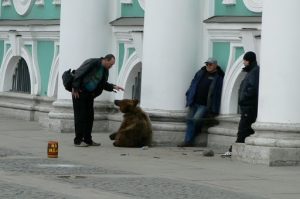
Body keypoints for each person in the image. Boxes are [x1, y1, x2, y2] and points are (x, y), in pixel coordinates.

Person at [71, 54, 124, 147]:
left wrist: (113, 87)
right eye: (110, 64)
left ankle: (88, 140)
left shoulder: (105, 70)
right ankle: (78, 141)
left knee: (89, 117)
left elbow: (102, 84)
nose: (111, 67)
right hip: (79, 93)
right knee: (80, 117)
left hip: (90, 95)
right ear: (106, 60)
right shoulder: (92, 62)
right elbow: (79, 72)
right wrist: (75, 87)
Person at [178, 58, 224, 147]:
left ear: (215, 65)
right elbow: (193, 83)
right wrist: (189, 93)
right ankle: (188, 141)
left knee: (195, 120)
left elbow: (218, 92)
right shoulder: (200, 72)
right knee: (189, 120)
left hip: (204, 104)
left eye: (210, 64)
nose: (208, 66)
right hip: (194, 101)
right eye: (207, 64)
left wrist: (214, 107)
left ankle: (196, 132)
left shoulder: (218, 77)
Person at [222, 51, 260, 157]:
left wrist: (244, 99)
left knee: (243, 129)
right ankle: (235, 150)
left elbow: (253, 88)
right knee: (246, 129)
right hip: (247, 106)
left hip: (249, 106)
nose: (243, 62)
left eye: (245, 60)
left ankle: (233, 150)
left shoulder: (254, 72)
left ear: (249, 60)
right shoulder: (251, 71)